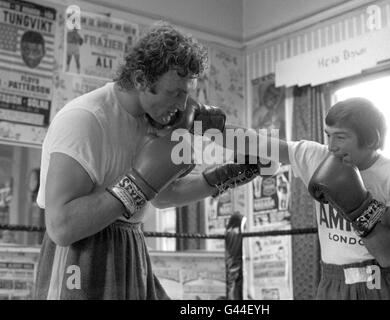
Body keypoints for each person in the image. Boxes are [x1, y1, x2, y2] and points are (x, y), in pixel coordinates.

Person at [34, 21, 270, 300]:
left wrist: (224, 177)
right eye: (175, 92)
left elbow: (161, 194)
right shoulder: (84, 121)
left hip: (130, 242)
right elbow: (61, 227)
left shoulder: (156, 120)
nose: (183, 105)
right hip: (81, 252)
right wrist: (136, 185)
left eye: (187, 93)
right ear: (140, 80)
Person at [227, 97, 390, 299]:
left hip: (384, 281)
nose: (331, 146)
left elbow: (388, 256)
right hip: (334, 281)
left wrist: (359, 206)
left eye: (340, 137)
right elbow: (256, 142)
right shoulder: (317, 157)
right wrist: (205, 124)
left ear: (371, 139)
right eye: (328, 135)